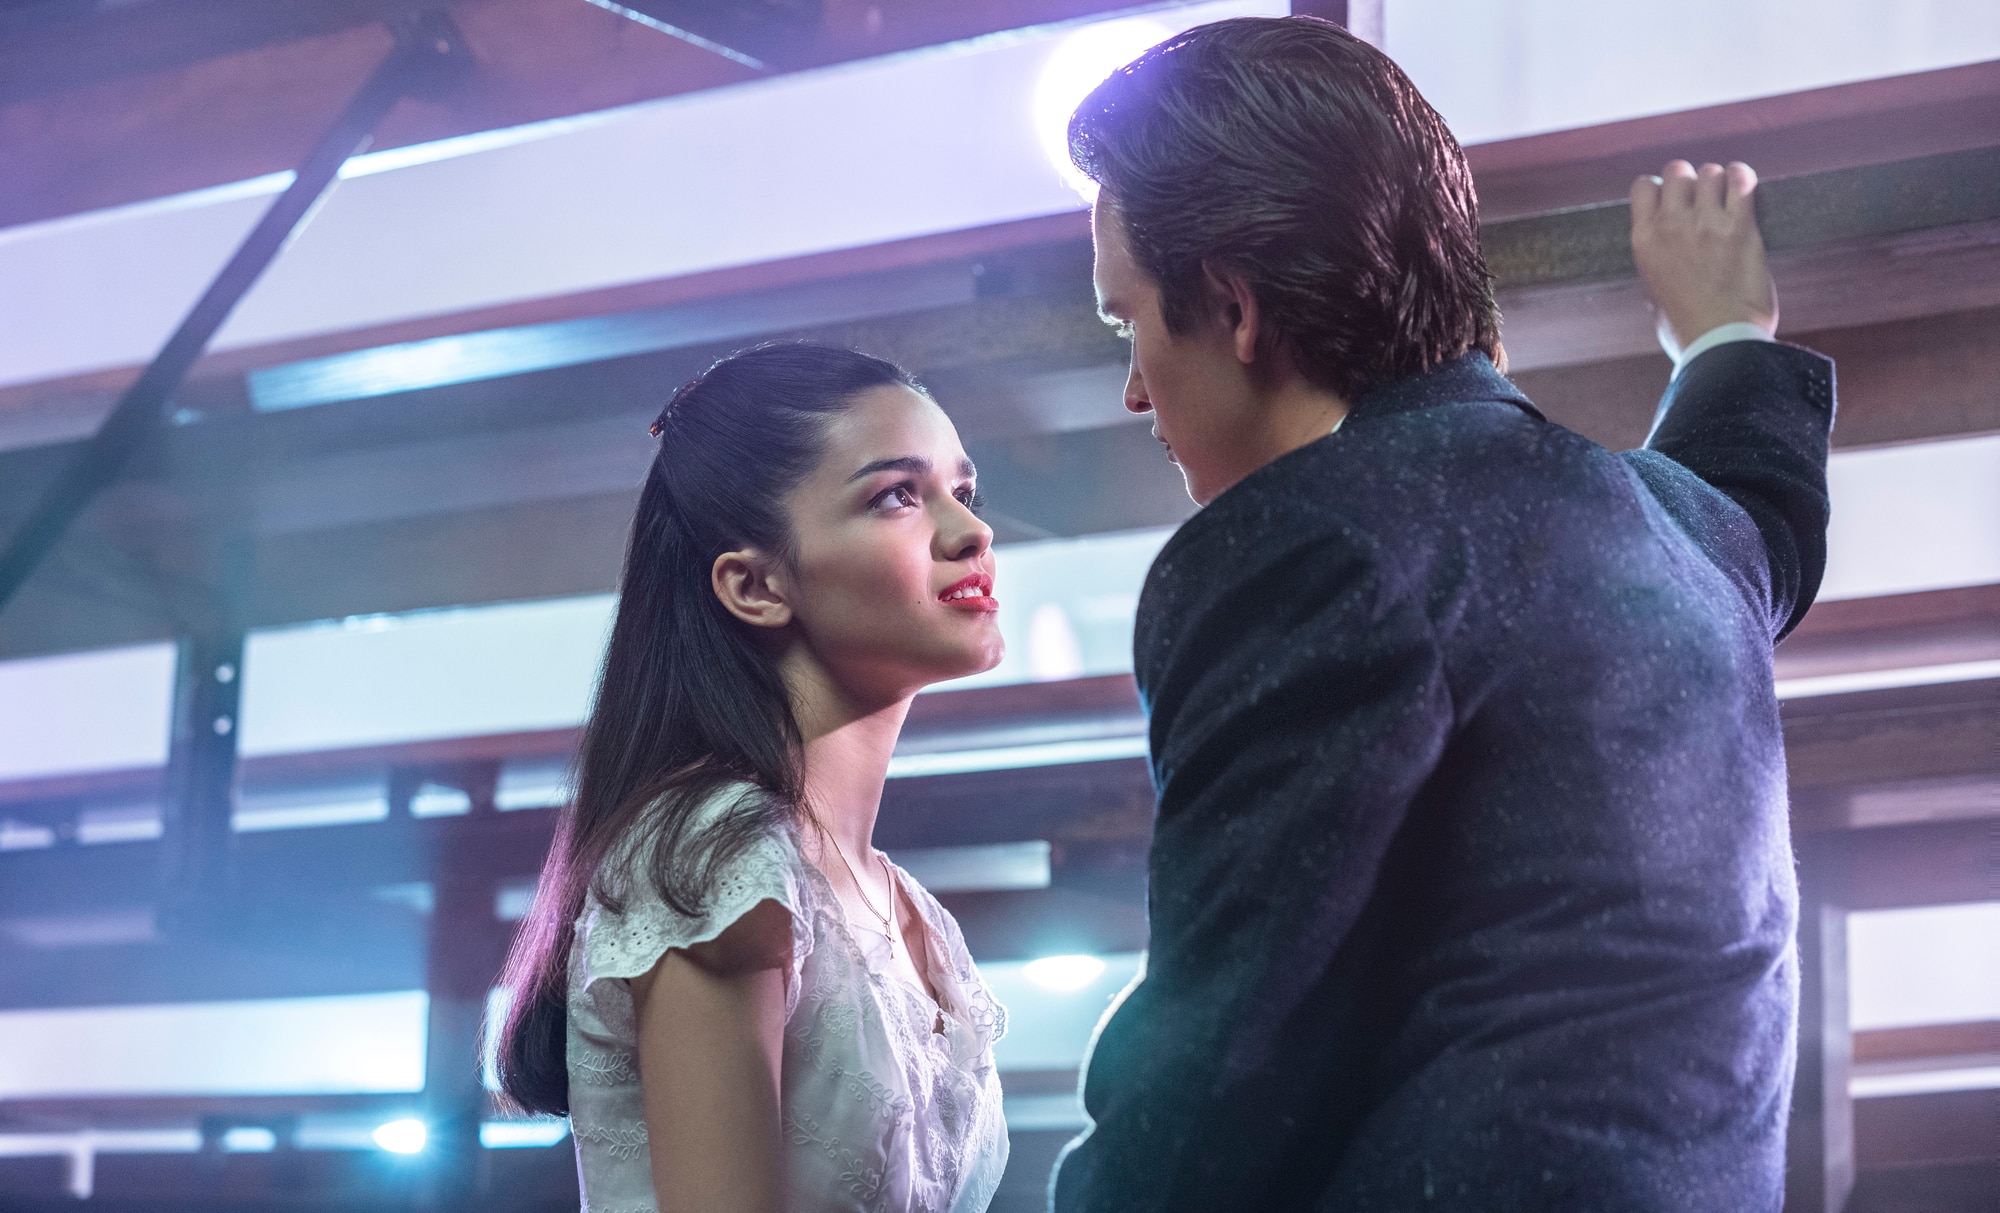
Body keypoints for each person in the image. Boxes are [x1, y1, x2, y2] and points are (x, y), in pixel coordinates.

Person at [1052, 16, 1833, 1212]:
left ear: (1230, 306)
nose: (1128, 384)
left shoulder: (1300, 543)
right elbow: (1762, 513)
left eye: (1127, 322)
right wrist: (1725, 337)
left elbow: (1223, 1061)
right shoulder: (1682, 533)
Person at [494, 343, 1012, 1213]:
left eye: (963, 492)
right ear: (755, 585)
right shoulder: (714, 846)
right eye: (896, 495)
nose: (971, 531)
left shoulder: (909, 909)